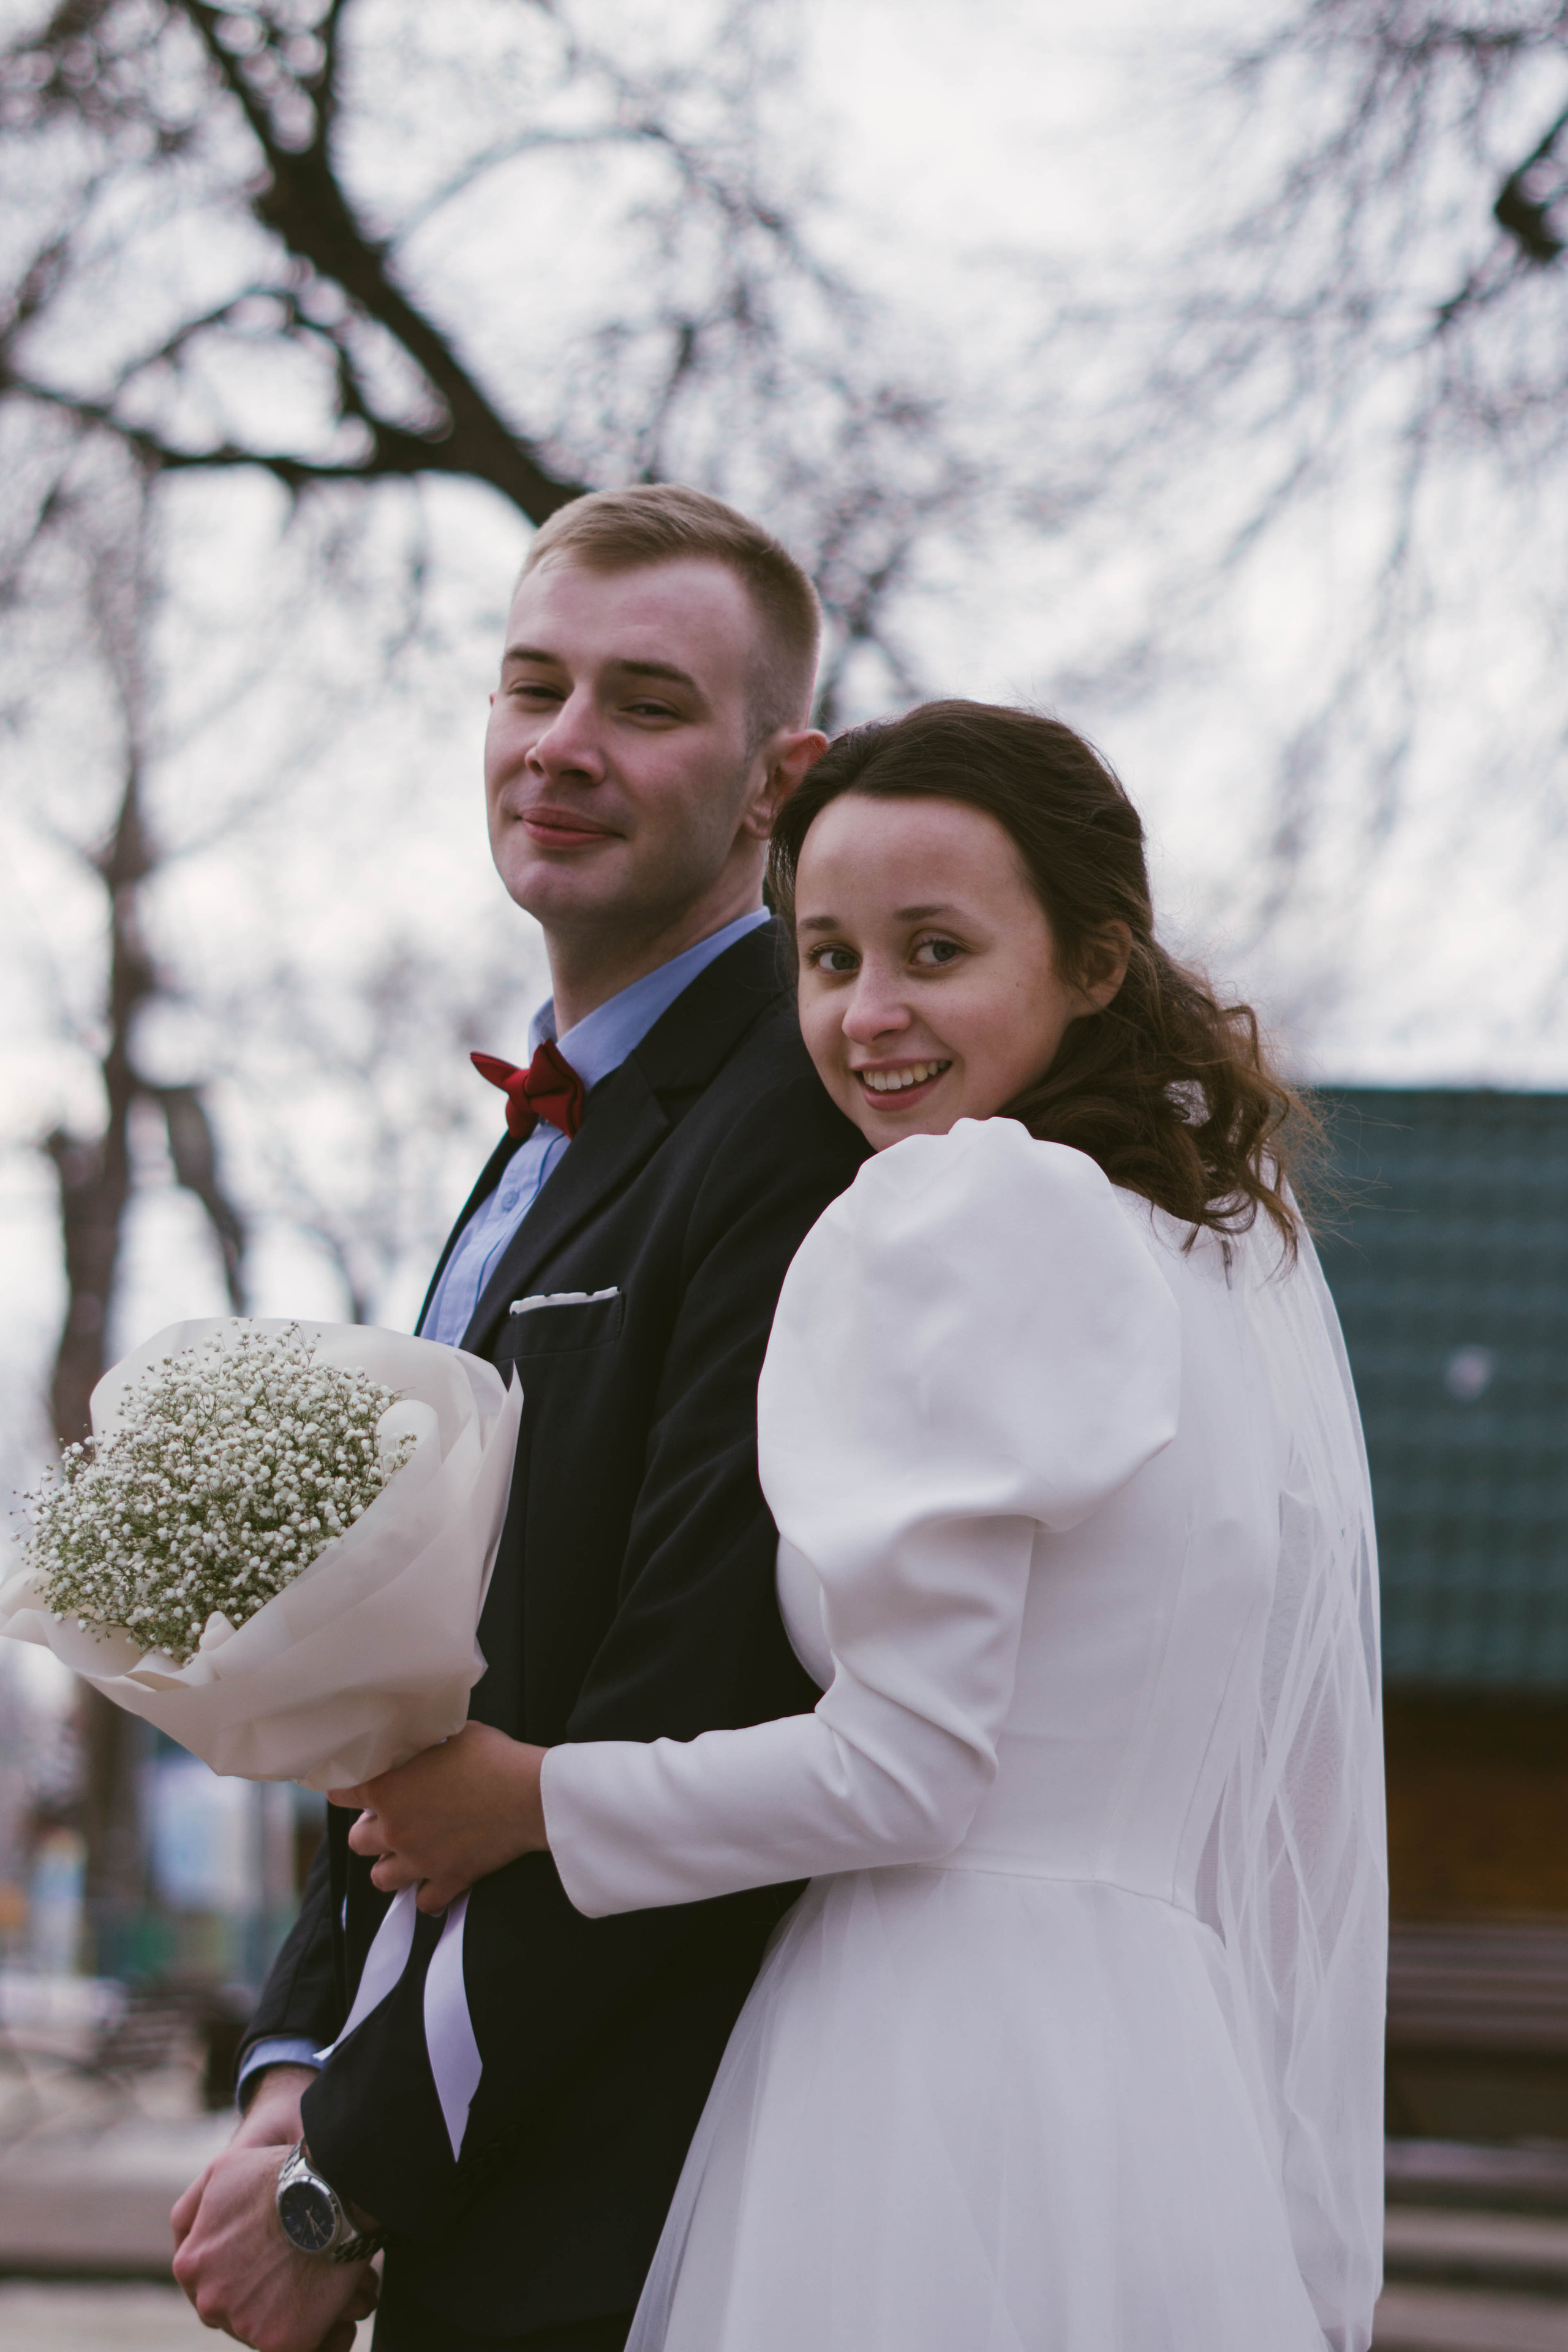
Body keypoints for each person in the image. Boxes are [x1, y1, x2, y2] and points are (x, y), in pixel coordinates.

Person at [345, 701, 1389, 2351]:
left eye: (935, 950)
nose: (869, 1015)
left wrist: (529, 1800)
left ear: (1097, 962)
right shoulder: (1197, 1255)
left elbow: (909, 1770)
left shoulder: (956, 1211)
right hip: (1148, 2074)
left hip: (929, 2055)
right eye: (826, 960)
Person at [168, 484, 870, 2352]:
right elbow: (404, 1699)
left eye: (644, 703)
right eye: (530, 685)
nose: (561, 745)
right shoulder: (538, 1138)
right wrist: (291, 2075)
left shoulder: (796, 1138)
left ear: (772, 781)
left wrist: (352, 2174)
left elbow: (693, 1720)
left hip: (640, 2188)